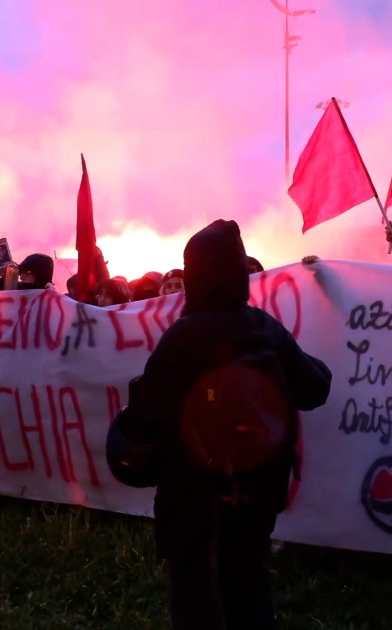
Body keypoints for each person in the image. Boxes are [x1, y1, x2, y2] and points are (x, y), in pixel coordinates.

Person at [117, 219, 331, 629]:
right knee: (250, 588)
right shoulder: (265, 328)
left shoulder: (185, 335)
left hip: (194, 498)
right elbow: (316, 389)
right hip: (260, 491)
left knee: (198, 598)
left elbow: (143, 420)